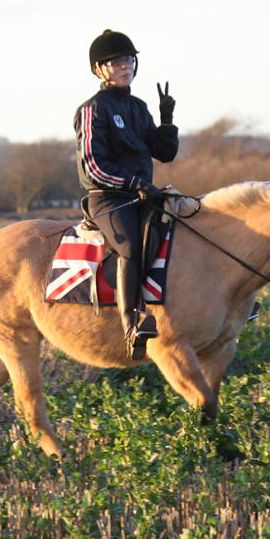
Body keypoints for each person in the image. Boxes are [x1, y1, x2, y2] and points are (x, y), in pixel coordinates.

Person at [74, 29, 178, 360]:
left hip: (141, 194)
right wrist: (135, 184)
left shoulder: (138, 107)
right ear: (99, 69)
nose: (125, 66)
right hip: (107, 198)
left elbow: (165, 153)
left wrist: (166, 119)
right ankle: (130, 323)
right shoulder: (93, 109)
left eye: (128, 60)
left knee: (185, 227)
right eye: (117, 61)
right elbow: (92, 167)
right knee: (131, 246)